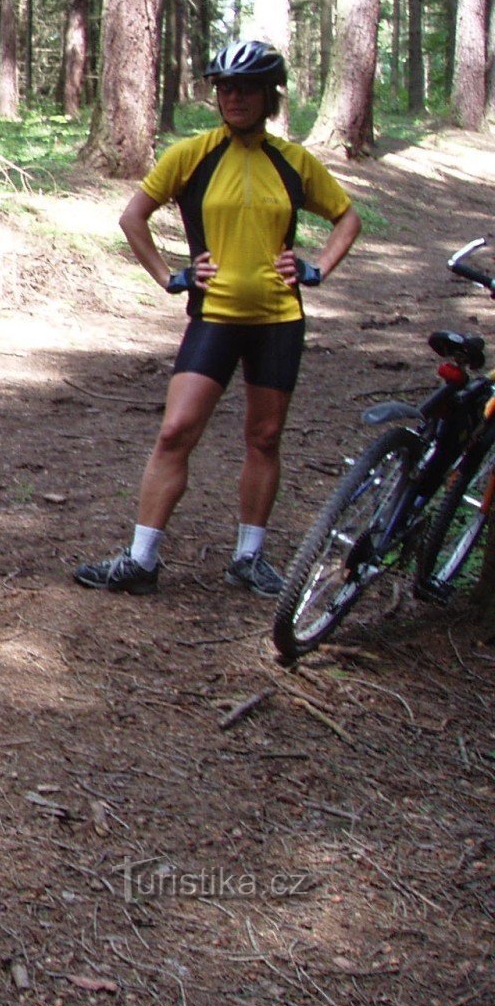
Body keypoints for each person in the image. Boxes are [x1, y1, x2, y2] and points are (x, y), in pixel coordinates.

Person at [75, 39, 361, 596]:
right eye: (225, 88)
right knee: (177, 430)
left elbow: (346, 218)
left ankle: (249, 557)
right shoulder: (194, 154)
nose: (233, 98)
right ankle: (141, 561)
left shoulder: (294, 162)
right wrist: (170, 275)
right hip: (215, 317)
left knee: (265, 435)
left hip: (279, 319)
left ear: (268, 96)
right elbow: (133, 216)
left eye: (246, 88)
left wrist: (317, 267)